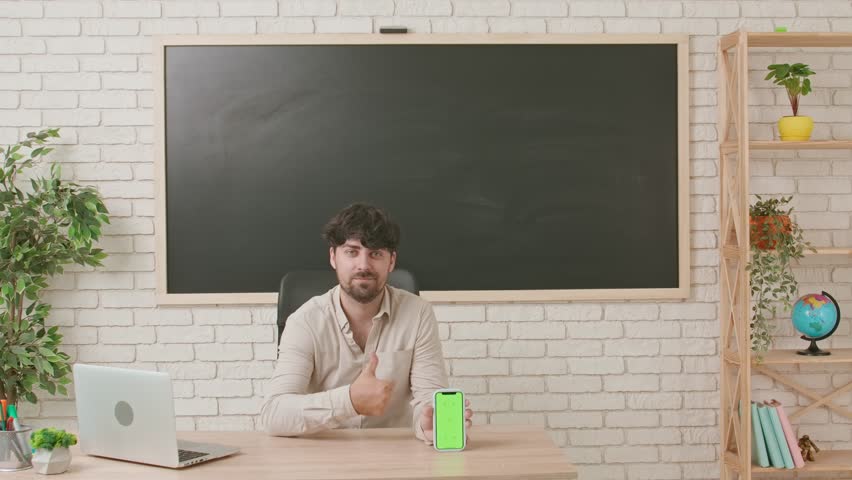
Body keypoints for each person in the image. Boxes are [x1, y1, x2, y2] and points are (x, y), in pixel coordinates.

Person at [260, 203, 473, 445]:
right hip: (325, 455)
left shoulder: (418, 313)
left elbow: (427, 400)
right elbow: (274, 414)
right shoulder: (304, 321)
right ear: (333, 257)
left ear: (391, 261)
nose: (363, 265)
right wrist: (349, 401)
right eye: (352, 252)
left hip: (396, 454)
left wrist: (427, 425)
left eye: (375, 253)